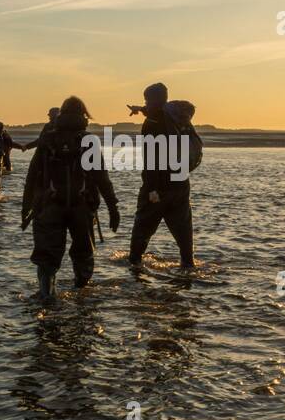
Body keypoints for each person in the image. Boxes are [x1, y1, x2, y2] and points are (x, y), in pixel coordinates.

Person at [22, 96, 119, 299]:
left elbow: (32, 175)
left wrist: (26, 208)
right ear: (84, 115)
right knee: (83, 255)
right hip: (81, 208)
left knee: (47, 259)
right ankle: (81, 298)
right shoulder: (89, 140)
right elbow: (102, 177)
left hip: (49, 207)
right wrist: (113, 208)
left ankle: (47, 298)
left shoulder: (47, 138)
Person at [127, 82, 195, 269]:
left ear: (155, 100)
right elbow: (157, 113)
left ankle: (135, 266)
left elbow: (152, 159)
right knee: (183, 232)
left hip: (159, 187)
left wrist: (152, 188)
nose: (145, 103)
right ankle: (188, 265)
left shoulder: (152, 124)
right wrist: (140, 109)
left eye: (147, 100)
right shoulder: (176, 118)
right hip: (181, 183)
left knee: (142, 229)